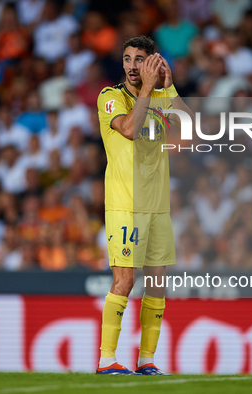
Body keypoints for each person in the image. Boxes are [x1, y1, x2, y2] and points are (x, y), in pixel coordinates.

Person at [95, 36, 193, 375]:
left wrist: (170, 86)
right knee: (124, 280)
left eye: (140, 59)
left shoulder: (161, 93)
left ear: (152, 62)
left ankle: (147, 359)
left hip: (157, 206)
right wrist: (151, 89)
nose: (132, 65)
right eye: (127, 59)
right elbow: (129, 129)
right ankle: (107, 358)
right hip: (125, 204)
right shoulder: (110, 97)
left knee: (156, 283)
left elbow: (193, 130)